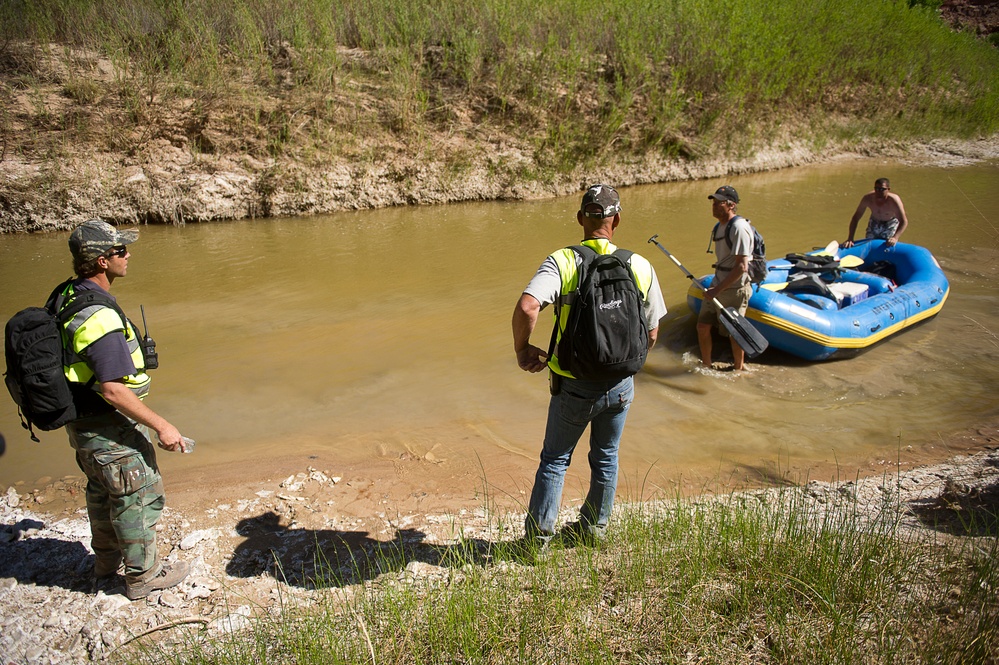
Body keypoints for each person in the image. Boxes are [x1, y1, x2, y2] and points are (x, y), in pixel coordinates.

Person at [512, 184, 667, 546]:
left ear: (581, 218)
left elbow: (527, 307)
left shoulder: (564, 261)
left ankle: (537, 544)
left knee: (555, 459)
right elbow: (653, 330)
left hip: (574, 384)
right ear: (617, 220)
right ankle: (594, 531)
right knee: (606, 456)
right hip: (622, 384)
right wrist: (626, 364)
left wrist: (522, 349)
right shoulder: (639, 265)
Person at [60, 219, 190, 600]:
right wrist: (162, 426)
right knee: (138, 493)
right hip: (107, 423)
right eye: (120, 251)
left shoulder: (69, 293)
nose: (127, 255)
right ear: (102, 261)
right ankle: (143, 577)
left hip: (82, 423)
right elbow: (114, 390)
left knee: (102, 491)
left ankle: (105, 565)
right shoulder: (100, 318)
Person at [697, 185, 753, 372]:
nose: (714, 206)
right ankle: (706, 364)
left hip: (734, 288)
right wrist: (715, 287)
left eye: (718, 202)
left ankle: (739, 369)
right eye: (713, 202)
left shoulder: (739, 227)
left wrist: (717, 290)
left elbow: (741, 267)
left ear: (731, 205)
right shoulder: (719, 226)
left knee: (734, 332)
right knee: (703, 326)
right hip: (718, 283)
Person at [843, 177, 909, 248]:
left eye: (882, 189)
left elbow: (904, 221)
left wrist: (895, 237)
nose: (879, 192)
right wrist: (850, 238)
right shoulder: (868, 198)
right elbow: (856, 218)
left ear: (888, 190)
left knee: (887, 244)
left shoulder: (894, 201)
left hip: (890, 222)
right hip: (875, 221)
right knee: (869, 244)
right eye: (876, 189)